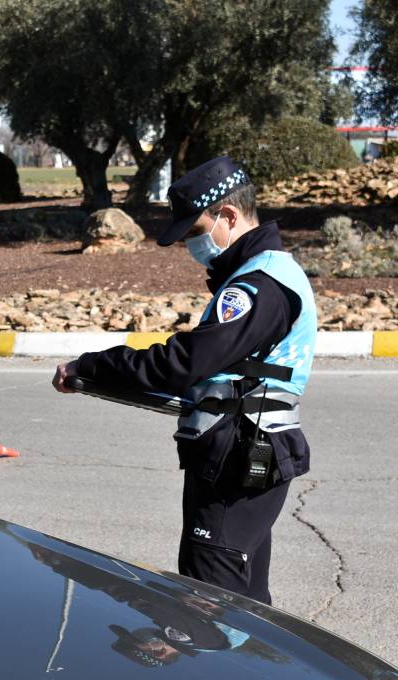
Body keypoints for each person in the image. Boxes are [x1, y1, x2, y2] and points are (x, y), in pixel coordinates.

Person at [52, 156, 316, 605]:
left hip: (237, 460)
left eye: (196, 232)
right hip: (241, 456)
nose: (193, 246)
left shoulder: (257, 286)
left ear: (229, 217)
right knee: (244, 603)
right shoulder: (265, 275)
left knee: (208, 603)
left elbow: (184, 363)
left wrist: (91, 366)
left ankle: (216, 674)